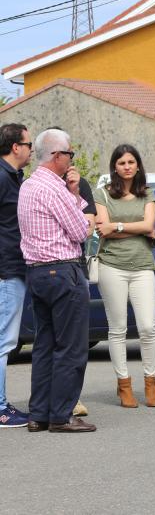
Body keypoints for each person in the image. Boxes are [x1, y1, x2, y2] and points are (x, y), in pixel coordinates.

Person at [18, 128, 95, 433]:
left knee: (45, 344)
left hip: (37, 272)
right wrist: (75, 195)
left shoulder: (28, 185)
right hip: (63, 271)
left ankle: (39, 413)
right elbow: (80, 231)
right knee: (71, 346)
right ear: (57, 155)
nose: (71, 160)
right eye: (70, 154)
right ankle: (61, 415)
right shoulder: (53, 188)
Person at [93, 144, 155, 408]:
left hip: (143, 266)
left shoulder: (148, 193)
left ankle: (151, 382)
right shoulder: (102, 194)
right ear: (115, 167)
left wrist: (118, 225)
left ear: (138, 165)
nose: (127, 166)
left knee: (147, 327)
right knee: (118, 329)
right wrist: (138, 230)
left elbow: (149, 225)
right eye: (122, 163)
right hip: (112, 266)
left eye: (131, 162)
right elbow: (103, 231)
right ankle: (124, 385)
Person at [0, 123, 33, 428]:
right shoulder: (2, 177)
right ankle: (0, 408)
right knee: (4, 341)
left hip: (13, 267)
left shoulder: (15, 176)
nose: (31, 150)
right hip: (6, 270)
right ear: (16, 147)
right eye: (29, 144)